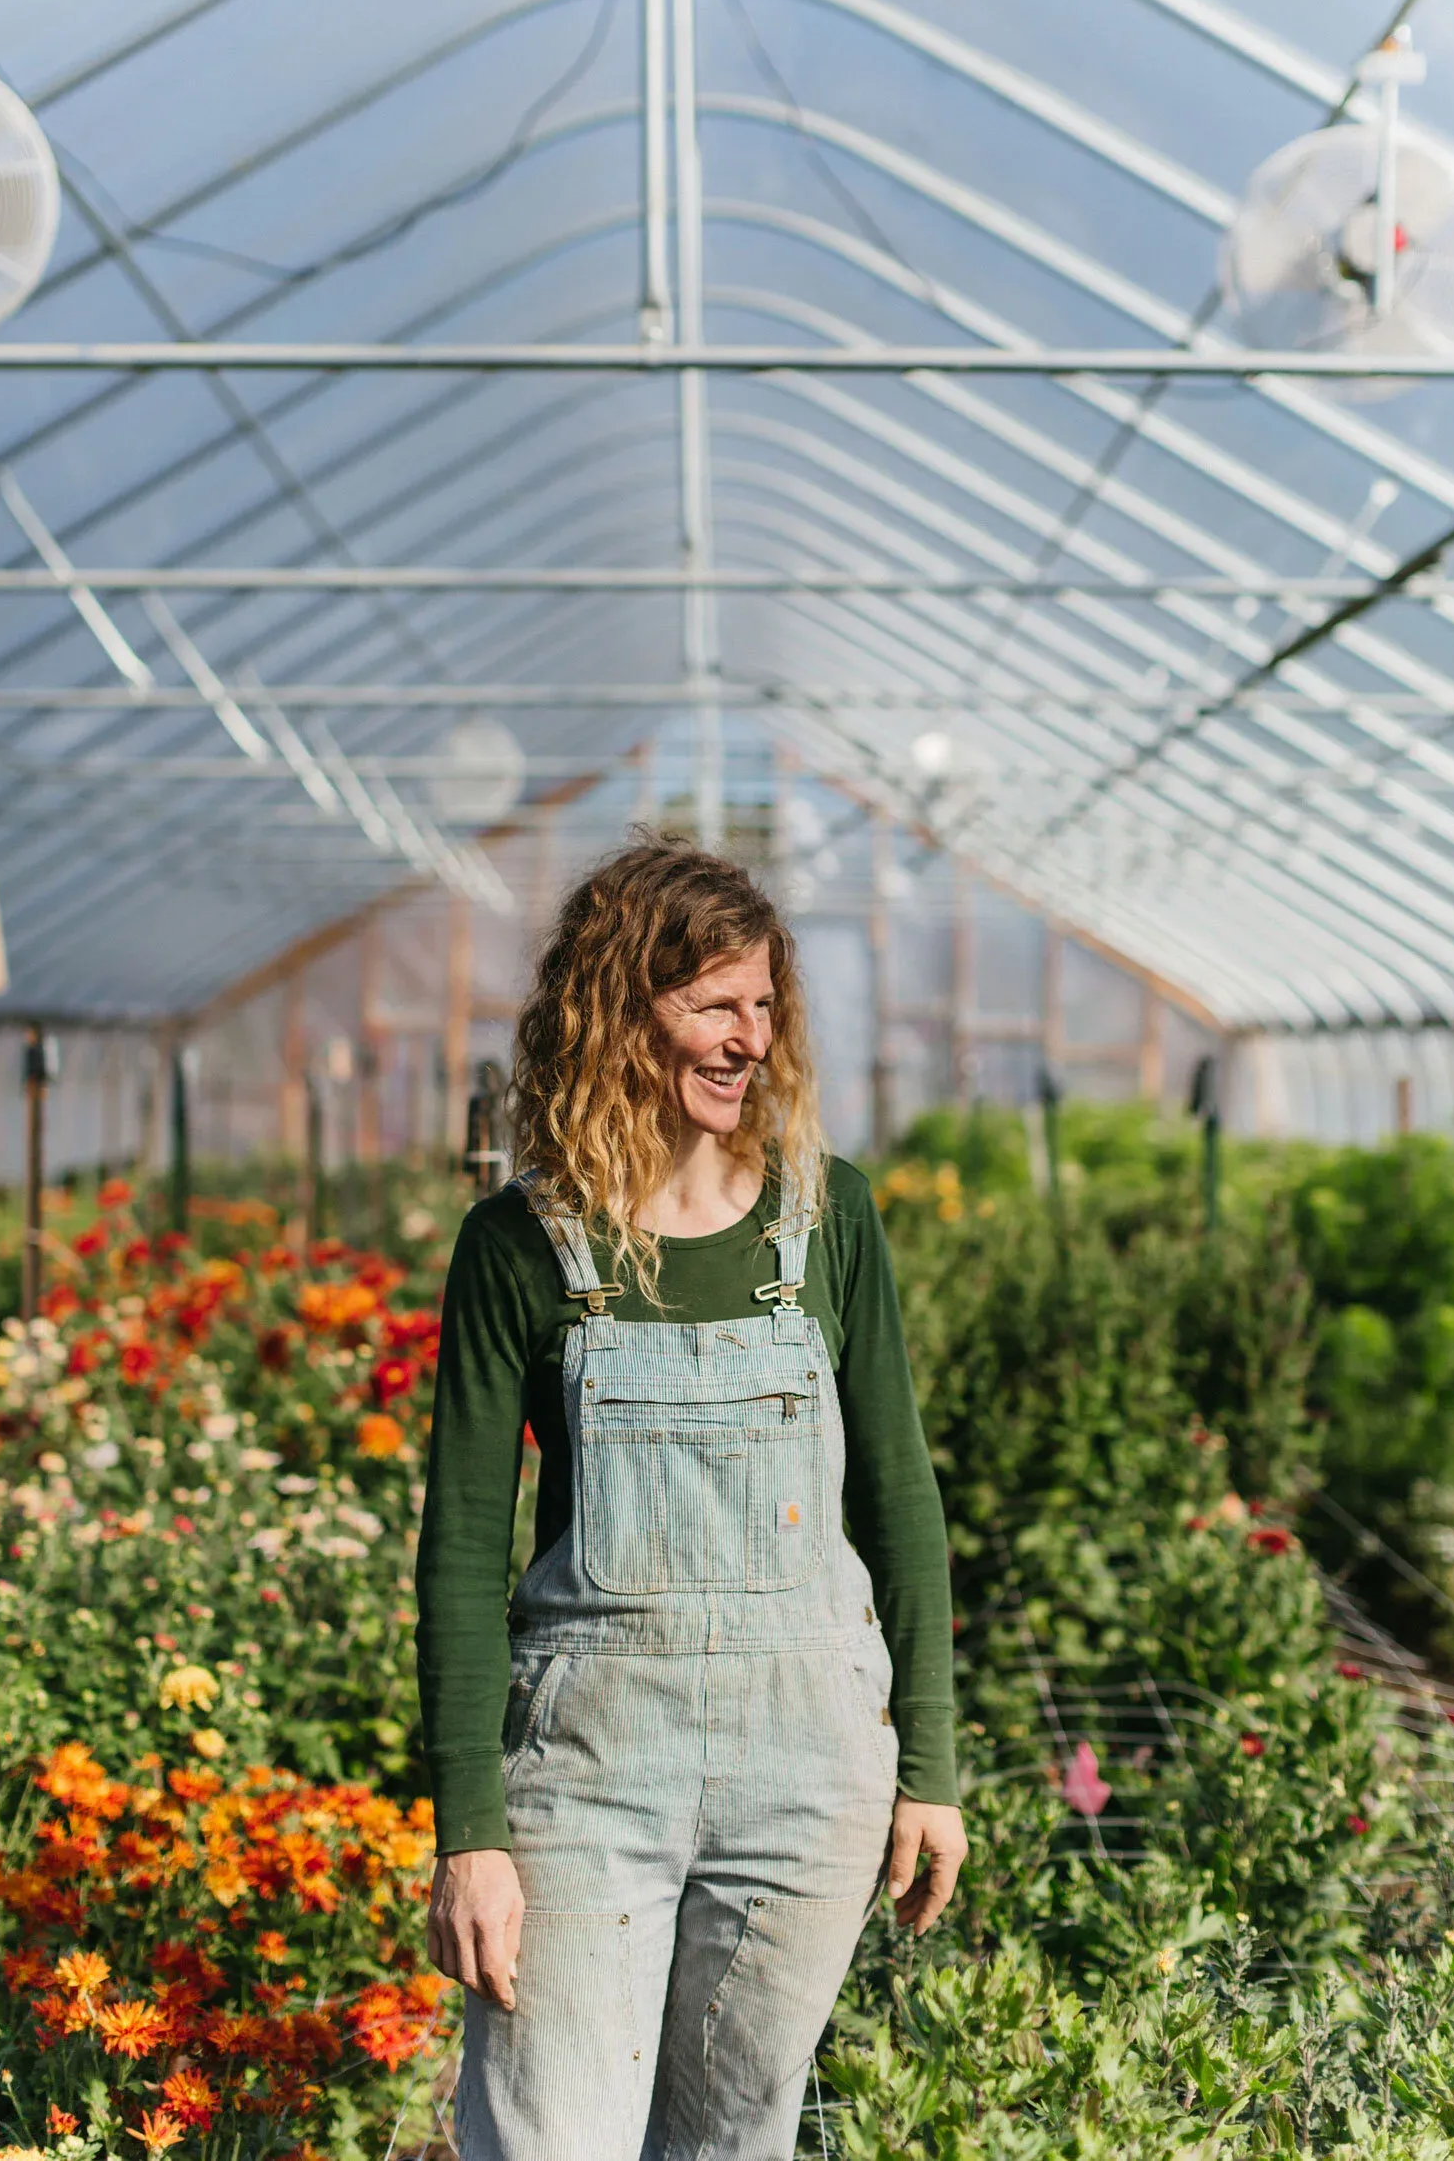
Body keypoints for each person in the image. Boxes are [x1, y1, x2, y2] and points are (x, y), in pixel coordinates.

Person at [417, 833, 966, 2161]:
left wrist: (933, 1764)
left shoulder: (825, 1219)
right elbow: (460, 1553)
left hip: (811, 1769)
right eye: (713, 1005)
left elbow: (897, 1496)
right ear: (618, 1013)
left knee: (733, 2139)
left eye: (764, 1005)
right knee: (546, 2141)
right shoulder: (522, 1246)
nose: (749, 1039)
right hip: (591, 1772)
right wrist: (469, 1835)